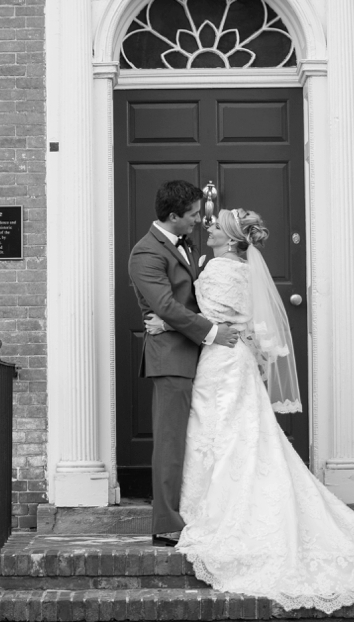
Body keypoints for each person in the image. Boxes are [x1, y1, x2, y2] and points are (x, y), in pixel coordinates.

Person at [146, 208, 354, 613]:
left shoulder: (215, 271)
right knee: (243, 435)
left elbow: (206, 319)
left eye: (215, 224)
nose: (207, 225)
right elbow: (235, 322)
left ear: (230, 239)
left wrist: (164, 324)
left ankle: (212, 509)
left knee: (221, 432)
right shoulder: (244, 270)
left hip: (219, 361)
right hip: (237, 360)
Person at [127, 180, 240, 547]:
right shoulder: (146, 254)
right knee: (171, 441)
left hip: (203, 358)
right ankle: (166, 523)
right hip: (172, 358)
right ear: (173, 216)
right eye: (193, 214)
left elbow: (189, 299)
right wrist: (212, 332)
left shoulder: (185, 244)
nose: (199, 219)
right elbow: (165, 306)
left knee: (200, 441)